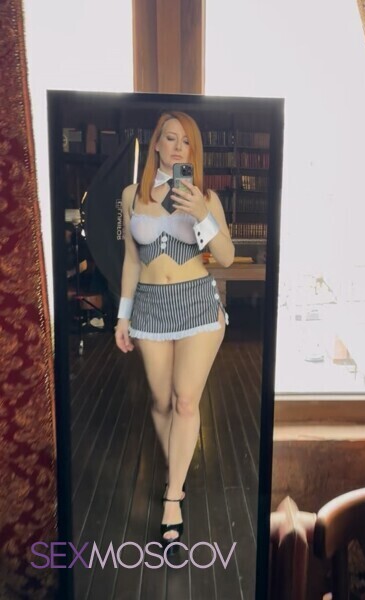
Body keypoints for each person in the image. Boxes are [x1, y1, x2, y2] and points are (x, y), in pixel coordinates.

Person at [114, 111, 234, 550]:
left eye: (186, 141)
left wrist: (201, 213)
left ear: (193, 151)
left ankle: (173, 496)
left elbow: (225, 256)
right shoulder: (132, 196)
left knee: (185, 401)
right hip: (149, 309)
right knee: (161, 401)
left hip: (197, 306)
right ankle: (177, 466)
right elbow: (131, 259)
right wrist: (123, 316)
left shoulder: (205, 197)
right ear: (157, 145)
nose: (179, 147)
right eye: (171, 138)